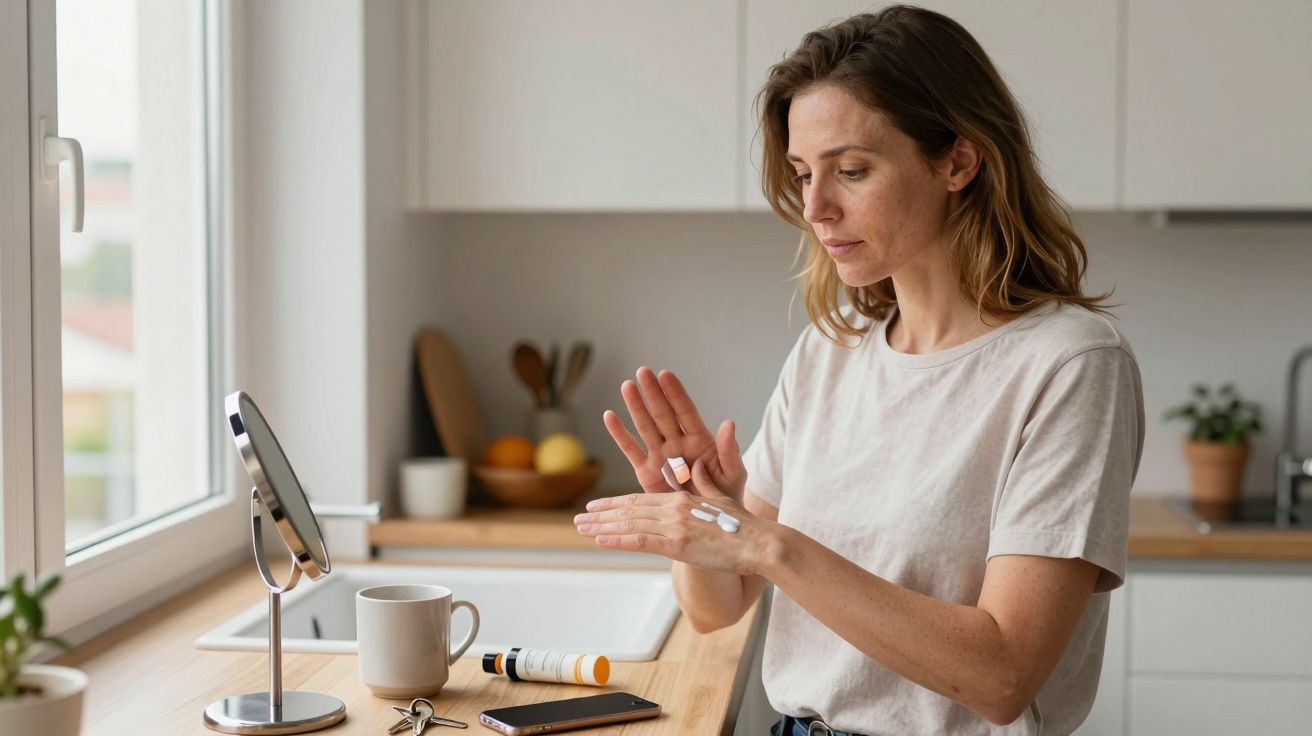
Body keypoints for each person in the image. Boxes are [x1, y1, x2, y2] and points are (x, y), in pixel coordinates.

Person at [572, 6, 1144, 735]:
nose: (815, 206)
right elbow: (717, 607)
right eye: (804, 173)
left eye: (850, 170)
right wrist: (706, 517)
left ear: (958, 163)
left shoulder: (1069, 364)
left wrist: (767, 543)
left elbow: (1001, 676)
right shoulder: (829, 354)